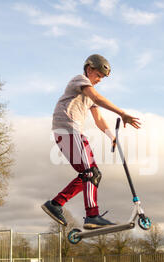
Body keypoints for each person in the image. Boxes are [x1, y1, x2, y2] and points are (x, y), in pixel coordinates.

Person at [42, 54, 141, 230]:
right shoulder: (79, 80)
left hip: (67, 132)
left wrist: (112, 136)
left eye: (102, 78)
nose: (100, 80)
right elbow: (97, 98)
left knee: (90, 174)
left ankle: (56, 204)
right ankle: (92, 216)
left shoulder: (88, 95)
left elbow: (98, 119)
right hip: (68, 130)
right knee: (91, 173)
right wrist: (122, 113)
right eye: (98, 76)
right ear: (89, 69)